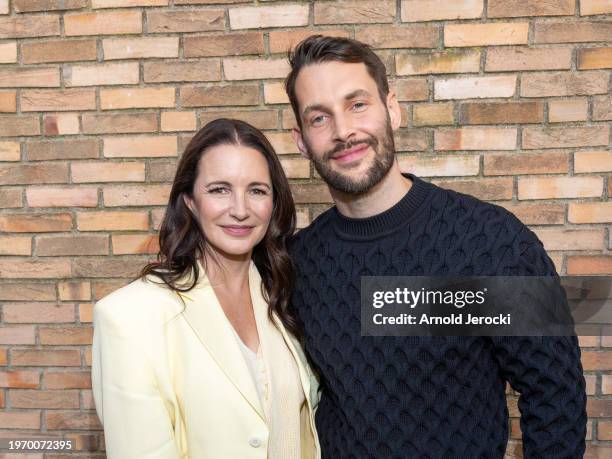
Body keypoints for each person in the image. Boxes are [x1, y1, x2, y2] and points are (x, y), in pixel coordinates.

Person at [284, 35, 586, 458]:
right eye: (319, 118)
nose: (343, 131)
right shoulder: (297, 264)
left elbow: (556, 395)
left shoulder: (491, 240)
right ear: (301, 140)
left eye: (357, 104)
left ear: (391, 109)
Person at [92, 119, 321, 459]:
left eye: (257, 190)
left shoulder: (285, 297)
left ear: (274, 203)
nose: (240, 210)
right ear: (189, 201)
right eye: (219, 190)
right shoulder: (129, 317)